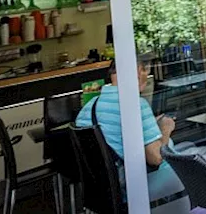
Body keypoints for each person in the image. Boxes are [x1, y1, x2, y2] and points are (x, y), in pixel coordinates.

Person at [75, 57, 185, 206]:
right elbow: (156, 157)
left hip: (106, 192)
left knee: (188, 147)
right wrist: (165, 128)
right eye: (145, 70)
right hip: (140, 185)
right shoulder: (136, 104)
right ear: (138, 73)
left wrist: (150, 124)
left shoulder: (88, 108)